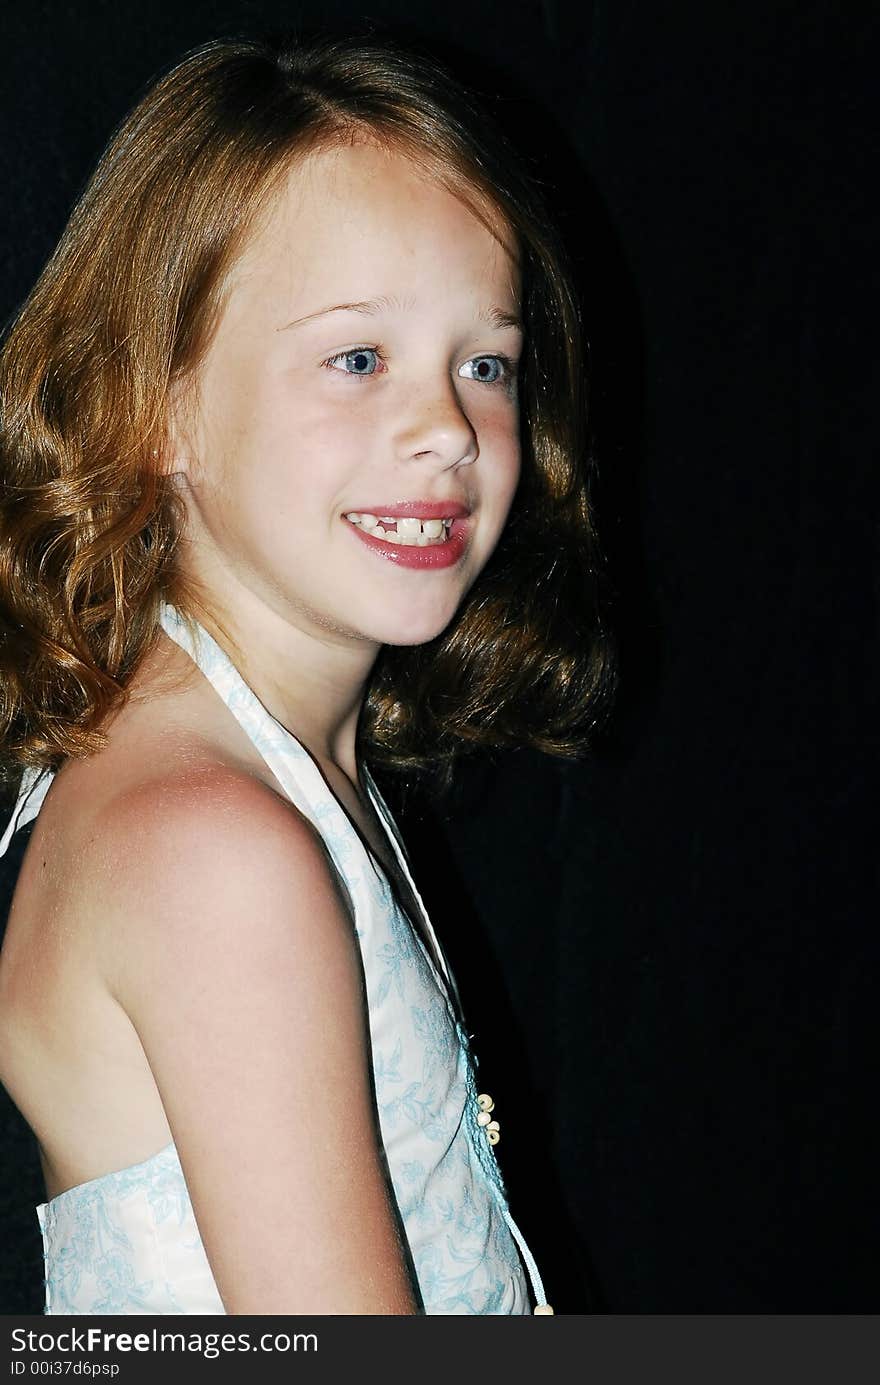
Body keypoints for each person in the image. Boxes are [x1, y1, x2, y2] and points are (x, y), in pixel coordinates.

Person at [0, 33, 613, 1315]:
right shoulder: (216, 848)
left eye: (484, 362)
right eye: (357, 359)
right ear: (156, 403)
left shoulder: (243, 769)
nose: (447, 424)